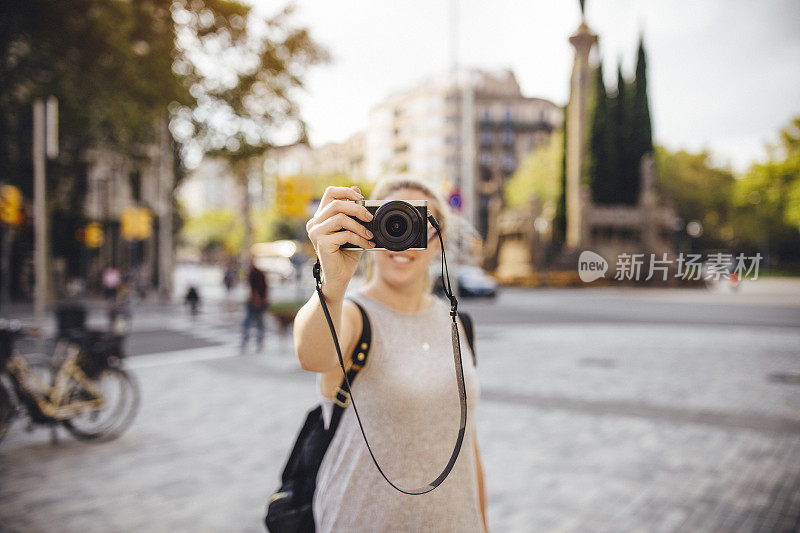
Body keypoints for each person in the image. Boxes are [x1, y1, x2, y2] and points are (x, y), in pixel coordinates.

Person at [294, 179, 487, 532]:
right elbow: (312, 357)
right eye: (389, 218)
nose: (401, 231)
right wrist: (332, 284)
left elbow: (466, 444)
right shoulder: (350, 314)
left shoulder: (457, 323)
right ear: (367, 225)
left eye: (418, 220)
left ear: (438, 239)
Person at [241, 256, 268, 352]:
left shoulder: (254, 273)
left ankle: (248, 341)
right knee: (258, 323)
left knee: (250, 322)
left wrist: (257, 299)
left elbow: (254, 289)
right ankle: (257, 342)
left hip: (255, 302)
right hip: (257, 301)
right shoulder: (259, 273)